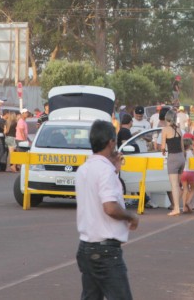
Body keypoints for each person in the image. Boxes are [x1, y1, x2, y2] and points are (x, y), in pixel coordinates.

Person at [75, 120, 139, 300]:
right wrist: (131, 216)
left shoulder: (84, 169)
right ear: (111, 142)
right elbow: (110, 207)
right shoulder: (104, 170)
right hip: (105, 251)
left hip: (87, 246)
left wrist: (114, 170)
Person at [160, 109, 185, 216]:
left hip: (173, 157)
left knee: (174, 185)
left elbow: (162, 147)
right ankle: (178, 206)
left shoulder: (165, 129)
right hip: (181, 157)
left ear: (167, 118)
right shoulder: (179, 129)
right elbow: (182, 146)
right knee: (178, 185)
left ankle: (176, 208)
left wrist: (163, 151)